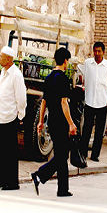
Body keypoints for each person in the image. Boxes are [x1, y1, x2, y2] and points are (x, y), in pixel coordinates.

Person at [30, 47, 77, 197]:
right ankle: (39, 175)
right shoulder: (63, 79)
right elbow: (64, 103)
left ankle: (62, 189)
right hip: (61, 122)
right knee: (62, 156)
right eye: (68, 60)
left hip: (51, 121)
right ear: (65, 61)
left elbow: (44, 102)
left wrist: (40, 121)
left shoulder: (49, 77)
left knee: (61, 154)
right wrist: (71, 123)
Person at [0, 45, 27, 191]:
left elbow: (21, 97)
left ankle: (12, 182)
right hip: (0, 117)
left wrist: (20, 115)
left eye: (1, 56)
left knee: (10, 152)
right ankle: (1, 180)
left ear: (8, 59)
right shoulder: (3, 72)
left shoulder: (16, 75)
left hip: (10, 117)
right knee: (0, 151)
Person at [78, 41, 107, 162]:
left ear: (103, 52)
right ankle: (83, 154)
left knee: (99, 132)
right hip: (89, 101)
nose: (97, 53)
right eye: (95, 51)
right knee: (86, 129)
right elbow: (82, 76)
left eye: (99, 51)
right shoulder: (88, 63)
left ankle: (95, 155)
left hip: (102, 103)